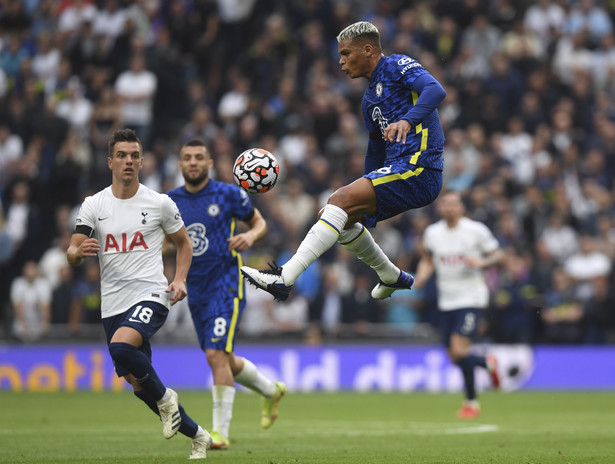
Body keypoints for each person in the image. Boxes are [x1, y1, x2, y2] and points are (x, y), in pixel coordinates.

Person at [241, 21, 446, 303]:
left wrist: (406, 121)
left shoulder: (398, 65)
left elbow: (436, 90)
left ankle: (283, 278)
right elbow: (375, 150)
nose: (341, 62)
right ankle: (390, 275)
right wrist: (365, 189)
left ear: (368, 49)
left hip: (420, 167)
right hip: (400, 169)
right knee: (337, 217)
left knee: (338, 201)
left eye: (347, 53)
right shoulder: (367, 102)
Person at [66, 129, 211, 459]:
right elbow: (72, 249)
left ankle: (166, 399)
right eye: (122, 155)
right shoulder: (94, 204)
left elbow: (184, 244)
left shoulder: (160, 203)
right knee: (137, 383)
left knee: (121, 346)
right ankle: (198, 435)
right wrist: (75, 254)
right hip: (112, 304)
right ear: (110, 162)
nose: (128, 161)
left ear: (142, 161)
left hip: (151, 293)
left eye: (134, 155)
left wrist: (180, 279)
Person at [166, 139, 287, 450]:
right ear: (180, 165)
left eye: (199, 158)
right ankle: (271, 390)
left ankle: (219, 433)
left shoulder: (229, 194)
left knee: (215, 355)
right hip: (195, 289)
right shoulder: (169, 201)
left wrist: (249, 235)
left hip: (227, 283)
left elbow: (259, 223)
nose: (193, 162)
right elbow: (168, 242)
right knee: (224, 358)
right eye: (187, 158)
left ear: (209, 164)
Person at [413, 191, 503, 419]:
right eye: (445, 204)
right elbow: (428, 259)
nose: (450, 208)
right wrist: (422, 276)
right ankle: (484, 366)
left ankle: (471, 402)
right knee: (455, 357)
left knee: (459, 349)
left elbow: (498, 255)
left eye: (454, 204)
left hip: (471, 298)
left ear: (462, 207)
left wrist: (482, 262)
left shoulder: (476, 230)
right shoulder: (433, 233)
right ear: (439, 208)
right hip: (446, 301)